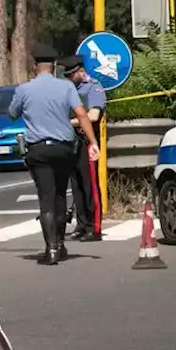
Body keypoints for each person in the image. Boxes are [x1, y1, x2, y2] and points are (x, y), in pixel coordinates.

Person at [8, 46, 101, 265]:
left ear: (34, 67)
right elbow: (81, 114)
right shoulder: (66, 87)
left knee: (46, 198)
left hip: (39, 150)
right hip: (64, 149)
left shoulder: (24, 89)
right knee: (61, 195)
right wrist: (93, 142)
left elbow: (12, 114)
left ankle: (51, 249)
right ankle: (60, 245)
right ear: (53, 67)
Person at [60, 56, 106, 241]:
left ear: (81, 71)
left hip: (87, 142)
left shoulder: (92, 87)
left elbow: (93, 116)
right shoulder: (69, 89)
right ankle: (81, 224)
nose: (70, 78)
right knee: (76, 185)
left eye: (73, 74)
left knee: (90, 185)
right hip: (71, 142)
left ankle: (94, 227)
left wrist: (64, 123)